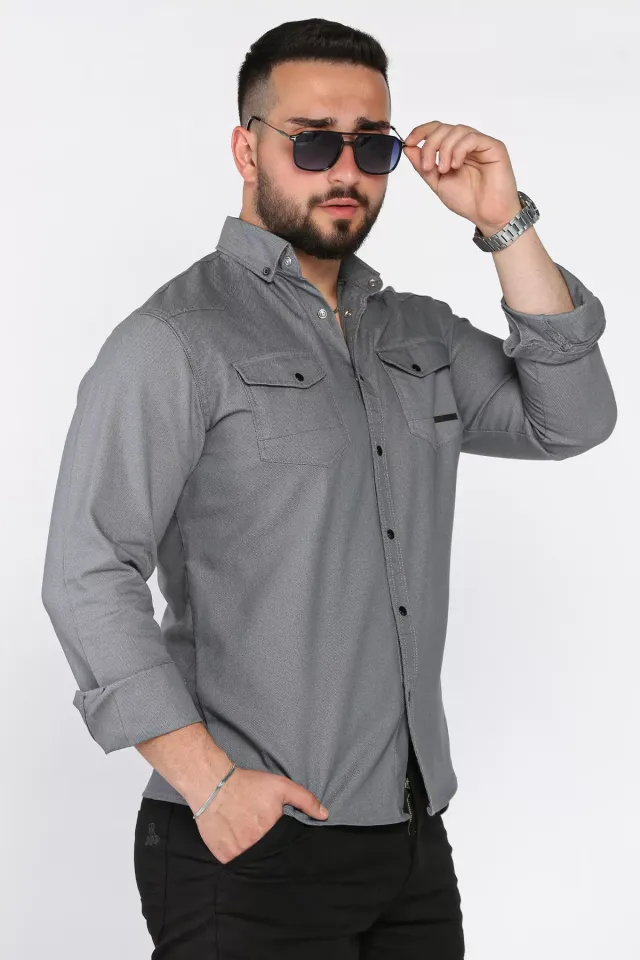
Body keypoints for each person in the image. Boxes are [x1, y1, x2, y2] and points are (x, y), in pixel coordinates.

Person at [41, 16, 617, 959]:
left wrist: (505, 223)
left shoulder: (422, 336)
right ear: (247, 149)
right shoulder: (173, 340)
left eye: (372, 145)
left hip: (410, 840)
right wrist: (209, 781)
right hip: (249, 846)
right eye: (313, 142)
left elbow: (574, 420)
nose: (345, 171)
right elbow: (86, 569)